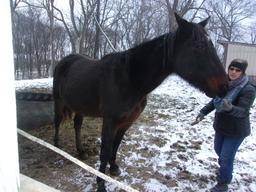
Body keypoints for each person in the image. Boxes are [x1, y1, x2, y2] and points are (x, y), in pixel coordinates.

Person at [194, 58, 256, 192]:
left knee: (226, 158)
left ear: (243, 72)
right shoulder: (224, 83)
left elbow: (243, 111)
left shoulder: (248, 89)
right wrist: (203, 113)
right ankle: (225, 170)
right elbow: (214, 101)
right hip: (221, 126)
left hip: (236, 130)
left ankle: (223, 183)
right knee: (219, 151)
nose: (233, 72)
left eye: (237, 70)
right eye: (231, 69)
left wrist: (231, 109)